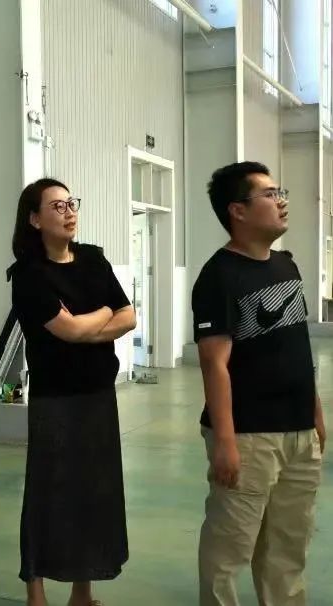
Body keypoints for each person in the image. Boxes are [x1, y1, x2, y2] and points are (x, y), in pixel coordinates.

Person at [192, 162, 326, 606]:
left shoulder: (286, 266)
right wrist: (225, 441)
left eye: (279, 192)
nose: (281, 201)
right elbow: (214, 363)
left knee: (288, 546)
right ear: (238, 211)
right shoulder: (218, 276)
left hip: (298, 432)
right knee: (229, 548)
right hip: (249, 436)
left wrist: (315, 414)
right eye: (270, 194)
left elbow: (296, 347)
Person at [7, 178, 135, 606]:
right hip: (55, 400)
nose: (68, 212)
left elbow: (129, 317)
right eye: (57, 206)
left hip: (98, 394)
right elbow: (72, 330)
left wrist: (86, 327)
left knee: (94, 492)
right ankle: (36, 590)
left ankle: (83, 592)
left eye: (71, 204)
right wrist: (102, 313)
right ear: (34, 218)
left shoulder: (93, 259)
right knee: (48, 493)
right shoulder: (29, 275)